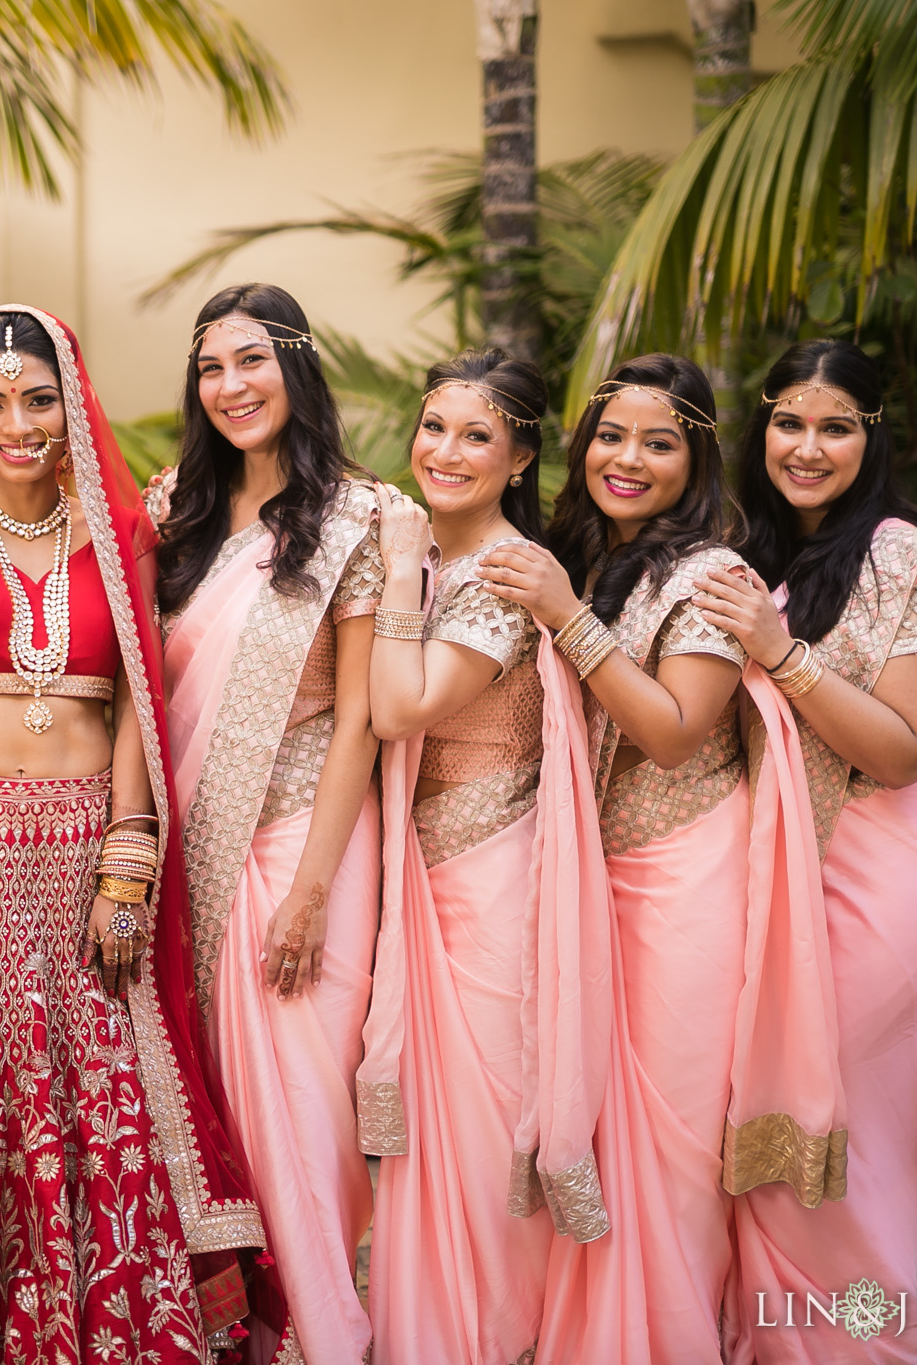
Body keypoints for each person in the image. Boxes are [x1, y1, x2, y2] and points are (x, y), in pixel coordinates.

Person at [0, 305, 268, 1364]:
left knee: (94, 1097)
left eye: (37, 399)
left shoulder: (122, 534)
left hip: (84, 853)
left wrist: (126, 865)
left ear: (69, 405)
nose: (16, 423)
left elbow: (135, 700)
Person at [693, 338, 917, 1365]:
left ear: (869, 439)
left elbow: (904, 744)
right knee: (775, 1130)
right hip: (777, 872)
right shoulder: (757, 555)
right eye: (787, 421)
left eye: (833, 426)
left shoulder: (914, 564)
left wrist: (776, 654)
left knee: (852, 1133)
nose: (805, 446)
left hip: (883, 880)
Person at [477, 354, 749, 1363]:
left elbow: (676, 730)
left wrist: (564, 614)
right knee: (589, 1130)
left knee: (667, 1146)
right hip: (582, 880)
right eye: (609, 434)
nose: (625, 458)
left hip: (681, 882)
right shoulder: (579, 556)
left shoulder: (713, 575)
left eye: (658, 441)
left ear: (696, 458)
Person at [357, 347, 612, 1365]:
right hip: (416, 879)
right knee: (420, 1150)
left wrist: (388, 578)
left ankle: (484, 1341)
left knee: (472, 1143)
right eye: (432, 426)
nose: (444, 450)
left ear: (518, 459)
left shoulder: (503, 574)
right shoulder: (417, 548)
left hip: (487, 886)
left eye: (475, 435)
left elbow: (396, 705)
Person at [151, 284, 381, 1361]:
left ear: (296, 366)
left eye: (250, 361)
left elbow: (362, 729)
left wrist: (311, 890)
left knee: (298, 1104)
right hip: (189, 858)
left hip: (301, 842)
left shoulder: (360, 520)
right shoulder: (180, 522)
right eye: (209, 369)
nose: (230, 387)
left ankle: (319, 1337)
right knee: (217, 1112)